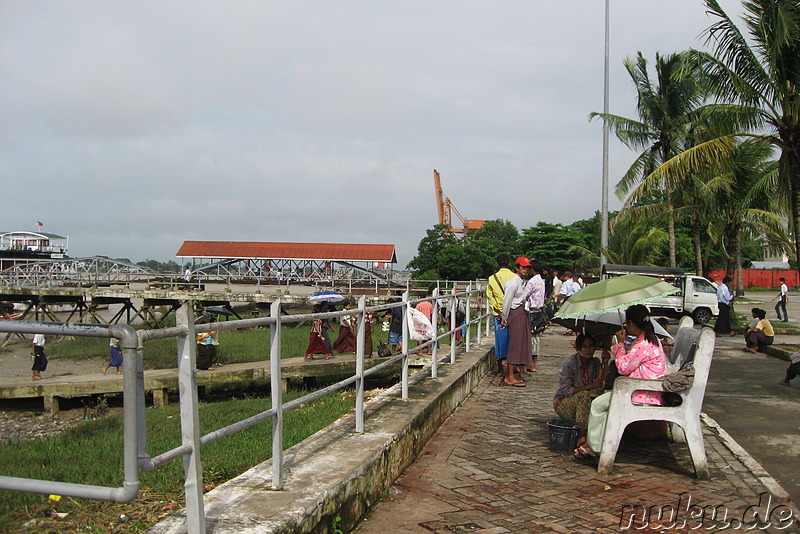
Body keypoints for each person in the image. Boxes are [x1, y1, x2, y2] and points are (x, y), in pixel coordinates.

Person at [583, 304, 668, 456]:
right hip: (644, 389)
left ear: (631, 324)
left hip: (640, 393)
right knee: (602, 404)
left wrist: (620, 345)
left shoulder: (643, 345)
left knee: (597, 405)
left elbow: (623, 367)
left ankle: (595, 448)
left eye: (627, 325)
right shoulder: (652, 340)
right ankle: (597, 441)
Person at [553, 334, 609, 456]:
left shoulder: (595, 362)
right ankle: (581, 435)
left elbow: (601, 385)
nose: (588, 350)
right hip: (565, 402)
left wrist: (605, 363)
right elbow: (566, 390)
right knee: (583, 395)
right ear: (578, 348)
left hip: (585, 404)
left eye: (591, 346)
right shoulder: (569, 364)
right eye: (584, 347)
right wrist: (590, 386)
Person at [500, 256, 533, 387]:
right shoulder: (513, 283)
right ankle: (510, 377)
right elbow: (507, 302)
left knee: (520, 343)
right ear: (517, 268)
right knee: (514, 344)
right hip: (515, 313)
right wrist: (505, 318)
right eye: (523, 267)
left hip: (521, 312)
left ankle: (512, 374)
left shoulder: (521, 282)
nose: (525, 270)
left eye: (527, 268)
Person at [487, 255, 515, 370]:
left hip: (498, 314)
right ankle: (512, 367)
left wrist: (498, 310)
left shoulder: (492, 278)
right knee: (513, 339)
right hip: (512, 312)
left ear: (497, 264)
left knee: (499, 339)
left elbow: (490, 297)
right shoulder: (514, 277)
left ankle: (499, 366)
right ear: (509, 264)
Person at [524, 260, 546, 373]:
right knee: (536, 337)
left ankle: (529, 364)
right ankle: (533, 363)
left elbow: (524, 295)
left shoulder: (532, 281)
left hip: (532, 311)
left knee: (531, 337)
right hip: (540, 311)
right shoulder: (541, 281)